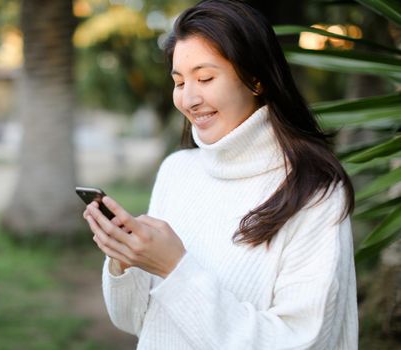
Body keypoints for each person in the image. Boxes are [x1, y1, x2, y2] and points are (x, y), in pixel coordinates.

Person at [82, 0, 358, 348]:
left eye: (205, 78)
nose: (189, 98)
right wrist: (126, 262)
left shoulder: (314, 191)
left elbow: (301, 341)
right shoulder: (177, 171)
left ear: (255, 79)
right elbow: (136, 321)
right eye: (179, 82)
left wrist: (174, 268)